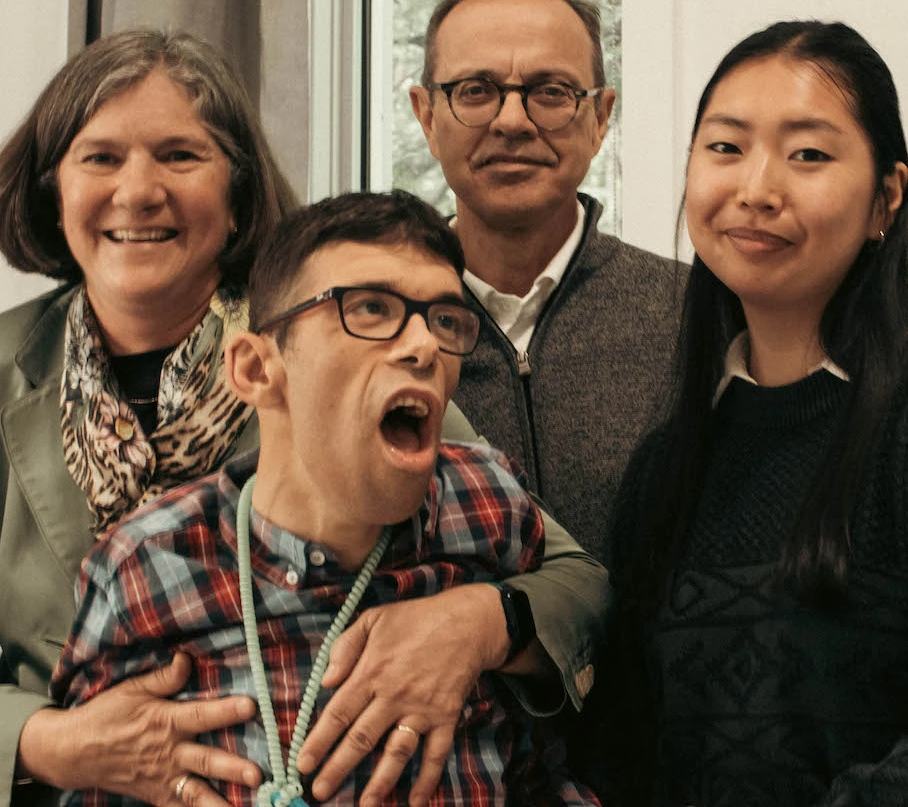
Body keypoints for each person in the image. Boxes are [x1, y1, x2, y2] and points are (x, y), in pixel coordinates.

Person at [0, 29, 604, 807]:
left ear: (238, 195)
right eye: (101, 157)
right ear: (54, 188)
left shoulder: (328, 346)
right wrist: (66, 747)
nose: (139, 190)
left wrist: (480, 621)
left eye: (180, 156)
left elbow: (574, 584)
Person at [592, 22, 908, 806]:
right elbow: (625, 740)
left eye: (808, 154)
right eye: (725, 148)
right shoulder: (669, 463)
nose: (756, 188)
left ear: (885, 200)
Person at [52, 190, 600, 807]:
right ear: (258, 371)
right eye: (370, 307)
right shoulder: (144, 566)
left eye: (445, 319)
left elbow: (561, 710)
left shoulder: (485, 501)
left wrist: (483, 622)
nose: (424, 346)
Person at [410, 0, 685, 563]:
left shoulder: (692, 314)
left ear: (601, 117)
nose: (512, 121)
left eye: (552, 92)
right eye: (477, 90)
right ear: (427, 116)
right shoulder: (372, 326)